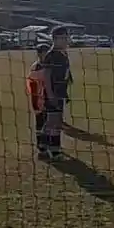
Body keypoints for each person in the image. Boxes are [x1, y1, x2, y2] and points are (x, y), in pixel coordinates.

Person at [39, 27, 72, 160]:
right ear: (55, 39)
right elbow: (46, 76)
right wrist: (50, 94)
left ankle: (44, 147)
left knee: (54, 121)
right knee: (54, 121)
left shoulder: (63, 54)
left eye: (66, 37)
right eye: (63, 38)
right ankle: (53, 150)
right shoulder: (51, 55)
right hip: (52, 93)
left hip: (60, 92)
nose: (66, 40)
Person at [26, 44, 51, 158]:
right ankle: (41, 148)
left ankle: (49, 145)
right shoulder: (36, 67)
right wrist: (36, 103)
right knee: (41, 124)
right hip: (39, 100)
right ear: (40, 54)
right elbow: (32, 87)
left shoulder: (50, 65)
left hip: (50, 99)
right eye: (45, 52)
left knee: (50, 123)